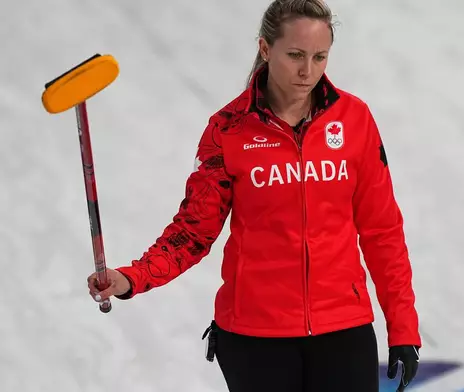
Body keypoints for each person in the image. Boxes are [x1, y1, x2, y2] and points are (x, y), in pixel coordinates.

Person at [87, 0, 422, 390]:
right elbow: (194, 231)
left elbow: (383, 231)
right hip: (255, 339)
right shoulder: (228, 129)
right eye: (295, 55)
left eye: (320, 57)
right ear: (265, 49)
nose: (307, 71)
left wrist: (403, 329)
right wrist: (131, 278)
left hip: (343, 329)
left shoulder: (354, 119)